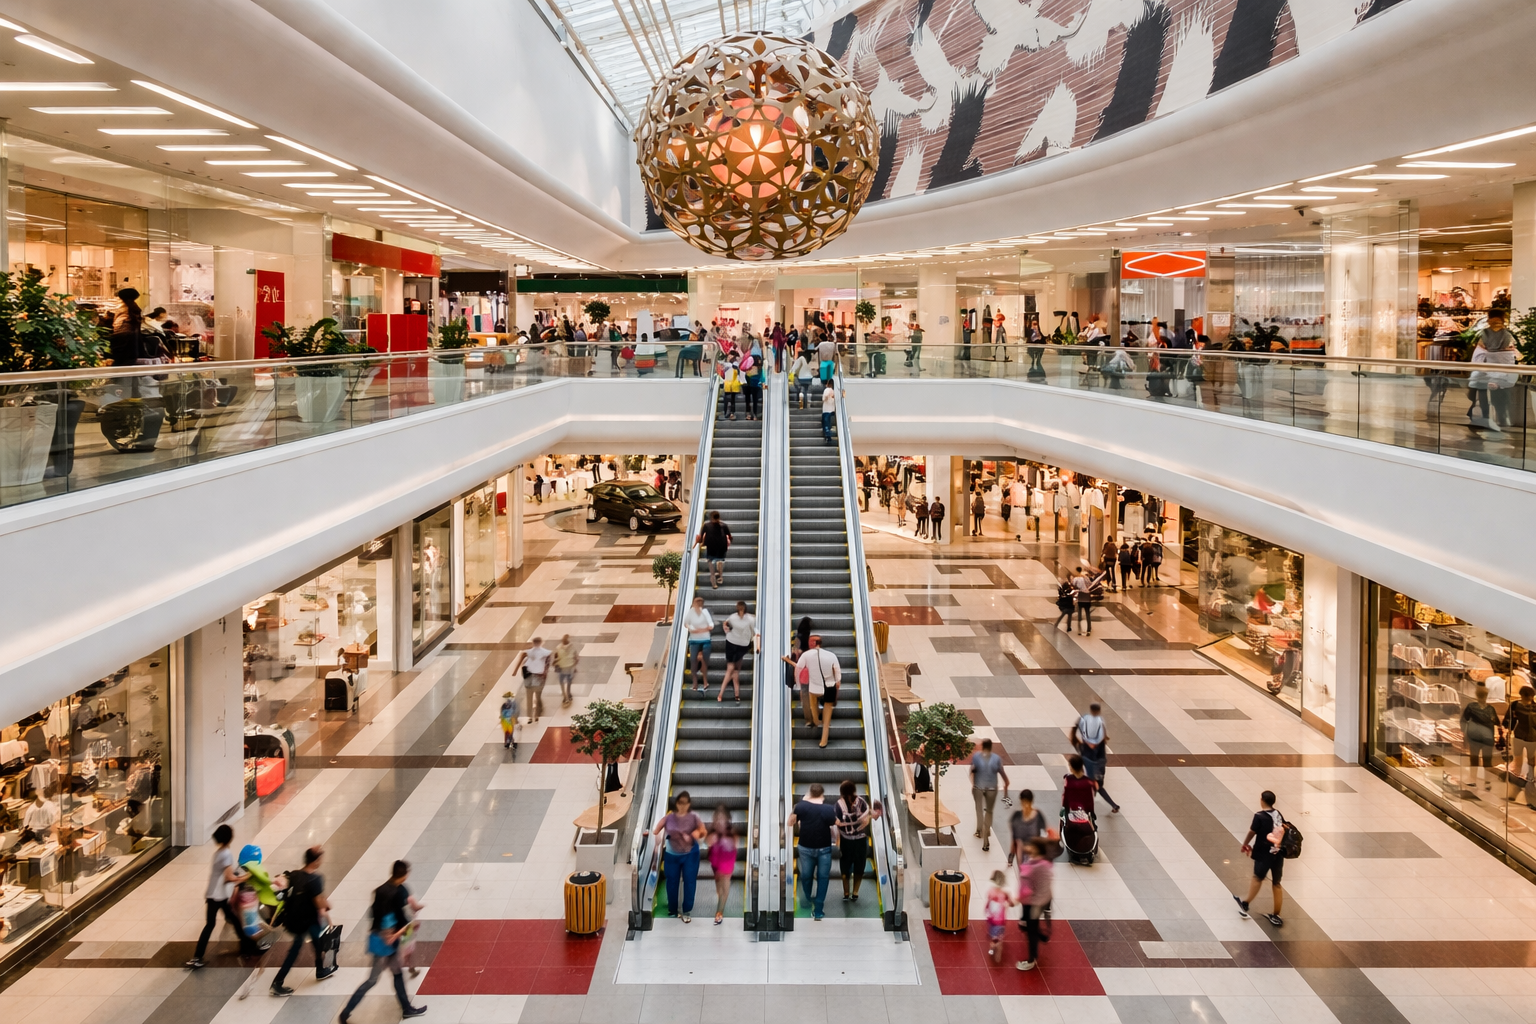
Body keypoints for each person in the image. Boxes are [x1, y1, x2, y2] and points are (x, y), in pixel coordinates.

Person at [338, 860, 427, 1022]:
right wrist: (403, 931)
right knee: (373, 980)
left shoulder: (379, 890)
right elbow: (405, 921)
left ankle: (406, 1008)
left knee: (397, 974)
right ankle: (345, 1012)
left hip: (378, 939)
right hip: (386, 944)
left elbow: (372, 914)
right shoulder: (400, 893)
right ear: (405, 875)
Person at [187, 824, 262, 968]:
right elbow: (229, 877)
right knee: (231, 921)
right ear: (229, 838)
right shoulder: (226, 854)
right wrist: (246, 877)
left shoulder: (218, 852)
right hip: (218, 897)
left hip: (212, 895)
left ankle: (197, 957)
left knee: (219, 923)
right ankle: (248, 948)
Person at [270, 846, 331, 996]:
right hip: (307, 921)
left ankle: (320, 969)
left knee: (316, 943)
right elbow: (318, 903)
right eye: (320, 858)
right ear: (316, 861)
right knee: (297, 950)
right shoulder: (315, 880)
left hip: (293, 918)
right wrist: (327, 906)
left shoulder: (296, 874)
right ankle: (278, 982)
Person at [1232, 790, 1286, 927]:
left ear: (1262, 800)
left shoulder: (1259, 816)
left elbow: (1252, 831)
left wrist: (1245, 844)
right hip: (1278, 853)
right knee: (1277, 883)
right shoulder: (1278, 813)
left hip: (1264, 852)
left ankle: (1245, 904)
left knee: (1257, 877)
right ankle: (1276, 914)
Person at [787, 783, 840, 921]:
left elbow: (790, 822)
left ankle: (809, 900)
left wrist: (797, 808)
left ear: (809, 793)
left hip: (806, 848)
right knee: (823, 878)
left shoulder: (801, 806)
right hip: (824, 849)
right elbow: (837, 823)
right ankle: (818, 910)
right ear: (822, 794)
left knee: (806, 876)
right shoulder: (828, 809)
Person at [653, 791, 706, 922]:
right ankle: (672, 909)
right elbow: (656, 831)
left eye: (685, 803)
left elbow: (703, 830)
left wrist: (694, 834)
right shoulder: (669, 818)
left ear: (689, 804)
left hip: (690, 855)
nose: (682, 806)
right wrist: (655, 840)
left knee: (689, 881)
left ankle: (687, 910)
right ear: (677, 803)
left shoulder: (694, 817)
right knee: (672, 882)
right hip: (672, 855)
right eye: (680, 803)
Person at [1469, 311, 1519, 431]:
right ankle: (1486, 416)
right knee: (1482, 390)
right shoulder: (1485, 333)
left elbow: (1505, 348)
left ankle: (1500, 416)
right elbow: (1484, 347)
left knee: (1499, 393)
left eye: (1497, 322)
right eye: (1492, 322)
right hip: (1487, 368)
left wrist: (1492, 352)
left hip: (1498, 368)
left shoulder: (1506, 334)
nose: (1494, 324)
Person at [1070, 703, 1121, 812]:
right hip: (1100, 760)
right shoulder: (1100, 725)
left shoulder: (1086, 722)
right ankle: (1112, 804)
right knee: (1097, 784)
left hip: (1092, 761)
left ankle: (1086, 804)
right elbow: (1104, 736)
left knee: (1095, 785)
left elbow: (1076, 729)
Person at [1015, 839, 1053, 972]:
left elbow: (1026, 890)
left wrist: (1016, 900)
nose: (1028, 847)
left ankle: (1032, 959)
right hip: (1045, 899)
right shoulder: (1046, 863)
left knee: (1030, 929)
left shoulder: (1033, 868)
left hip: (1034, 903)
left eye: (1031, 846)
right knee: (1027, 924)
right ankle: (1042, 936)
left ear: (1037, 849)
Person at [796, 636, 841, 748]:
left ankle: (816, 721)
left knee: (813, 704)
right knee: (828, 711)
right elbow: (837, 672)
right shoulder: (831, 655)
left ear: (814, 643)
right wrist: (837, 682)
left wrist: (798, 683)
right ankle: (823, 740)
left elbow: (798, 668)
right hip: (829, 687)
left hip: (814, 688)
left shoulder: (806, 655)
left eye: (810, 641)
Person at [970, 738, 1010, 852]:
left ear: (982, 746)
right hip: (992, 789)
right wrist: (1006, 792)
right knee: (989, 811)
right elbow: (1004, 777)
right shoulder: (996, 758)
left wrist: (973, 784)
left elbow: (972, 771)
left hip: (978, 787)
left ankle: (979, 830)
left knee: (979, 809)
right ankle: (986, 837)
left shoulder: (976, 757)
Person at [835, 780, 871, 902]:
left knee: (845, 866)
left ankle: (846, 892)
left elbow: (837, 823)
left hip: (846, 841)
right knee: (859, 865)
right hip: (860, 840)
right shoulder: (862, 802)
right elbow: (866, 820)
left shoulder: (839, 805)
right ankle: (855, 892)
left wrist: (838, 838)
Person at [1461, 685, 1501, 792]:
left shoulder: (1471, 707)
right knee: (1487, 760)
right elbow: (1497, 722)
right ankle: (1486, 782)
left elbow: (1464, 720)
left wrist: (1464, 734)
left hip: (1474, 737)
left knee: (1474, 759)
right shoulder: (1490, 709)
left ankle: (1473, 780)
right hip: (1486, 738)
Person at [720, 600, 757, 703]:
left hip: (732, 642)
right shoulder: (750, 619)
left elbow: (725, 623)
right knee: (734, 669)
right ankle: (736, 694)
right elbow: (753, 631)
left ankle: (724, 693)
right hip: (742, 644)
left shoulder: (733, 617)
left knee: (732, 668)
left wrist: (727, 632)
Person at [1008, 789, 1054, 867]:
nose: (1026, 805)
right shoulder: (1017, 816)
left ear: (1031, 802)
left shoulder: (1038, 816)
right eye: (1023, 802)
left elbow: (1043, 834)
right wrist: (1012, 854)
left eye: (1028, 802)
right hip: (1022, 853)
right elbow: (1014, 837)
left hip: (1035, 853)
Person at [1505, 686, 1536, 801]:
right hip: (1521, 737)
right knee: (1518, 764)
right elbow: (1510, 721)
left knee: (1530, 764)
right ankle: (1517, 790)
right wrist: (1507, 731)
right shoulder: (1515, 705)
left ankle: (1524, 790)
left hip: (1530, 738)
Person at [707, 804, 736, 925]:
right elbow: (708, 847)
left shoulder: (731, 834)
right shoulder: (712, 834)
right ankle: (721, 903)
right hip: (716, 865)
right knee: (719, 888)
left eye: (722, 819)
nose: (719, 821)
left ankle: (719, 913)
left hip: (726, 864)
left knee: (724, 886)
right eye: (717, 819)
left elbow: (733, 849)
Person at [683, 596, 715, 692]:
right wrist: (691, 629)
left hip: (705, 639)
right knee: (693, 660)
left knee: (705, 660)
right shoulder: (691, 612)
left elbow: (711, 625)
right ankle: (695, 682)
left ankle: (705, 681)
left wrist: (703, 629)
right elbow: (685, 623)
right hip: (694, 640)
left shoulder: (705, 612)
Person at [985, 870, 1017, 965]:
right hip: (1000, 921)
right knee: (999, 939)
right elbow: (1012, 903)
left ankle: (992, 946)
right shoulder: (1005, 894)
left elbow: (988, 904)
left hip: (991, 919)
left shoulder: (991, 891)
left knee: (993, 934)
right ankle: (997, 955)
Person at [695, 510, 732, 589]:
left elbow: (701, 538)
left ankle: (714, 583)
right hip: (721, 549)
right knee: (720, 562)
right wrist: (728, 543)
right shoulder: (723, 526)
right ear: (719, 517)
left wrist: (699, 541)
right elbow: (730, 536)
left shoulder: (707, 526)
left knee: (711, 564)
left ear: (711, 518)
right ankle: (720, 576)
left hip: (711, 549)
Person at [521, 638, 551, 723]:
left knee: (530, 699)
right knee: (537, 698)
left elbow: (524, 668)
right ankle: (536, 715)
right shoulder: (543, 655)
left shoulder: (529, 656)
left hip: (530, 682)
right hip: (537, 681)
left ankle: (531, 717)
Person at [553, 635, 579, 707]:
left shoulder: (558, 648)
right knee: (569, 681)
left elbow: (556, 658)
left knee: (561, 682)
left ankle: (564, 697)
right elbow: (576, 657)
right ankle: (569, 694)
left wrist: (556, 663)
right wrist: (574, 665)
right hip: (570, 667)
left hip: (561, 668)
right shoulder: (572, 648)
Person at [1071, 568, 1095, 635]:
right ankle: (1089, 629)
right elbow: (1090, 584)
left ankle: (1079, 630)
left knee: (1079, 613)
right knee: (1087, 614)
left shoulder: (1076, 578)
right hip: (1087, 596)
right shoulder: (1086, 577)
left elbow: (1073, 585)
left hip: (1081, 596)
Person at [721, 354, 742, 419]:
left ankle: (729, 413)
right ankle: (730, 413)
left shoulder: (730, 365)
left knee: (729, 400)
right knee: (729, 400)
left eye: (731, 356)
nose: (729, 357)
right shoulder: (729, 365)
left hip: (731, 385)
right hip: (730, 385)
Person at [820, 378, 837, 444]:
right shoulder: (834, 391)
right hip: (832, 410)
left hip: (826, 410)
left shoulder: (827, 390)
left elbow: (823, 398)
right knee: (829, 423)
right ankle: (829, 435)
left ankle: (827, 436)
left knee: (825, 423)